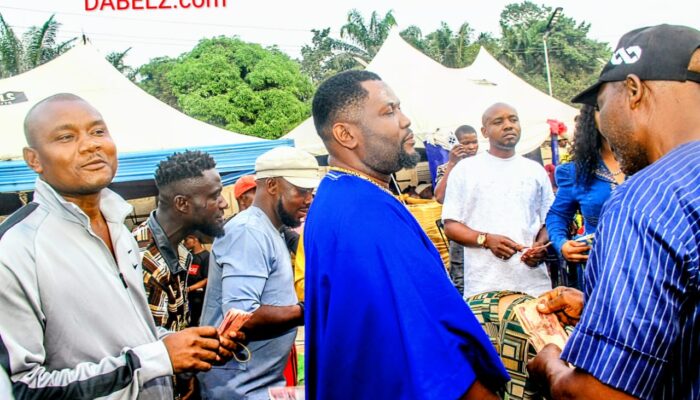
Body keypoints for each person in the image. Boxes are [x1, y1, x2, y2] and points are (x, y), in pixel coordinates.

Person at [0, 93, 238, 399]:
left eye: (98, 131)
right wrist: (159, 358)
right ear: (33, 159)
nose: (90, 145)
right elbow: (22, 388)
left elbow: (132, 338)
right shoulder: (16, 249)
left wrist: (184, 346)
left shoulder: (118, 228)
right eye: (66, 137)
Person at [304, 70, 509, 400]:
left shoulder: (341, 194)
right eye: (389, 111)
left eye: (399, 108)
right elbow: (430, 353)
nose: (405, 120)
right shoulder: (365, 213)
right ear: (346, 134)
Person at [528, 24, 700, 399]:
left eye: (602, 104)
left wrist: (551, 366)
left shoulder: (650, 197)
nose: (602, 122)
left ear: (634, 91)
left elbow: (601, 394)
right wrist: (602, 308)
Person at [199, 146, 319, 399]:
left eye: (311, 192)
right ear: (272, 185)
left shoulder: (270, 229)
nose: (309, 199)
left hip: (258, 384)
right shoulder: (249, 231)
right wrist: (308, 310)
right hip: (239, 388)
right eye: (301, 191)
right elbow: (242, 315)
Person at [442, 103, 555, 298]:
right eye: (498, 121)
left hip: (534, 285)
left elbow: (550, 219)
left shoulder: (534, 170)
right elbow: (451, 226)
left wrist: (540, 245)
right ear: (484, 132)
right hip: (485, 287)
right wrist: (485, 239)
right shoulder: (465, 170)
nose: (508, 125)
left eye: (513, 119)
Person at [134, 150, 228, 333]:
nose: (224, 203)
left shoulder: (179, 251)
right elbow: (154, 346)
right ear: (182, 204)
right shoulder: (146, 264)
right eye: (214, 196)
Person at [545, 105, 624, 289]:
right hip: (598, 271)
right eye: (601, 106)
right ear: (591, 120)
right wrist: (562, 244)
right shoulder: (576, 172)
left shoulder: (650, 163)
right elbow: (558, 215)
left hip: (647, 263)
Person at [434, 125, 479, 295]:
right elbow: (440, 197)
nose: (471, 147)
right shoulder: (446, 168)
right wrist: (452, 164)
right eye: (466, 143)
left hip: (483, 226)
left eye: (474, 142)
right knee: (460, 278)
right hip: (459, 229)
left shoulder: (485, 165)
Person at [184, 232, 210, 326]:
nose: (184, 242)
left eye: (187, 239)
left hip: (198, 295)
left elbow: (207, 279)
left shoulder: (206, 256)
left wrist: (190, 288)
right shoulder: (188, 255)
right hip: (186, 294)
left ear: (195, 240)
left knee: (194, 321)